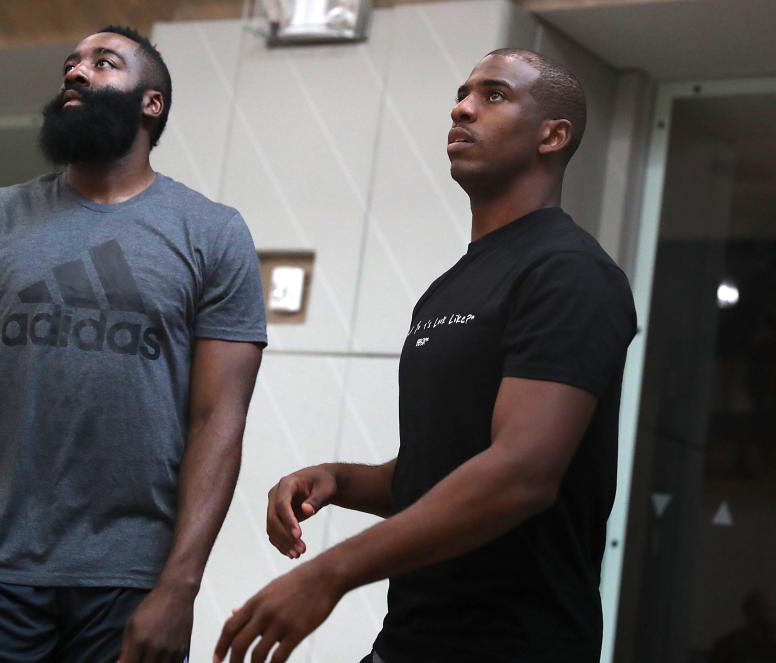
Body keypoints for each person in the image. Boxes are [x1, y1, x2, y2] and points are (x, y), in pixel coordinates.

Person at [0, 25, 266, 663]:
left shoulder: (212, 232)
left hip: (128, 575)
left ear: (152, 103)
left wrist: (180, 586)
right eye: (70, 64)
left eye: (103, 62)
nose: (75, 73)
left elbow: (218, 421)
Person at [214, 49, 637, 663]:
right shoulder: (450, 287)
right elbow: (442, 470)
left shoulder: (571, 273)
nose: (461, 107)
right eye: (463, 92)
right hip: (413, 640)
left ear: (553, 135)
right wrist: (340, 480)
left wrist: (329, 573)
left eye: (493, 95)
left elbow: (521, 474)